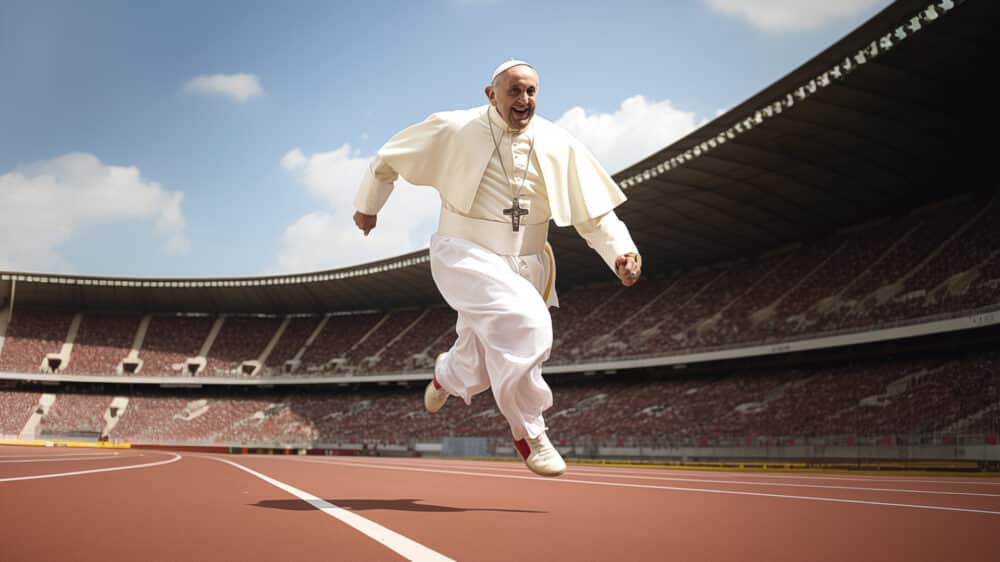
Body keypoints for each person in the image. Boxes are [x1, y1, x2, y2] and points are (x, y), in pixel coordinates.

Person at [353, 60, 642, 477]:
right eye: (514, 92)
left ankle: (445, 376)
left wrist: (621, 251)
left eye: (531, 92)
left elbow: (593, 214)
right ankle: (530, 432)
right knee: (528, 325)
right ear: (491, 94)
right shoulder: (454, 127)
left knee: (481, 359)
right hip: (465, 252)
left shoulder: (560, 145)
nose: (524, 101)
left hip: (527, 264)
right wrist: (368, 205)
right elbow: (388, 159)